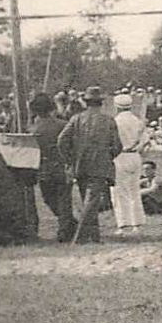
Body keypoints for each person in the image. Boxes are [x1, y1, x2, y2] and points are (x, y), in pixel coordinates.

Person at [56, 85, 121, 243]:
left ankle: (95, 237)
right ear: (101, 103)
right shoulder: (108, 120)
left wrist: (70, 159)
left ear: (86, 102)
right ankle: (80, 239)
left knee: (89, 200)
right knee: (91, 202)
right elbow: (118, 146)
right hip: (99, 166)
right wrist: (107, 156)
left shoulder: (76, 119)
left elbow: (61, 141)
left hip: (80, 165)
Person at [29, 93, 73, 239]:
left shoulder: (33, 129)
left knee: (49, 199)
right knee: (63, 199)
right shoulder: (62, 124)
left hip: (43, 168)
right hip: (61, 166)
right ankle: (68, 227)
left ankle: (66, 228)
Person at [110, 92, 147, 234]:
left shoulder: (115, 122)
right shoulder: (137, 121)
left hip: (121, 156)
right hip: (135, 156)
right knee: (134, 190)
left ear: (116, 107)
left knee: (120, 191)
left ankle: (123, 225)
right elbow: (144, 141)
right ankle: (137, 224)